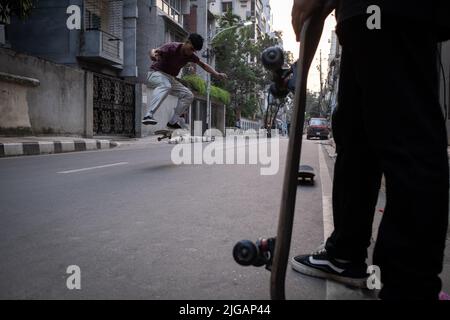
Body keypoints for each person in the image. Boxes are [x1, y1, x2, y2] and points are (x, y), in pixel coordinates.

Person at [290, 0, 450, 300]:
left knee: (407, 138)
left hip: (387, 10)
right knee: (355, 136)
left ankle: (409, 287)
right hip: (361, 17)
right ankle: (346, 254)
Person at [142, 33, 227, 129]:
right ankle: (148, 115)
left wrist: (216, 74)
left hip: (170, 78)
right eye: (191, 49)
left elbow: (203, 65)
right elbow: (153, 51)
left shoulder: (191, 56)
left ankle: (172, 122)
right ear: (187, 42)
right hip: (155, 73)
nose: (191, 52)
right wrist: (153, 55)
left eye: (194, 51)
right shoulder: (172, 47)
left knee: (188, 95)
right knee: (166, 85)